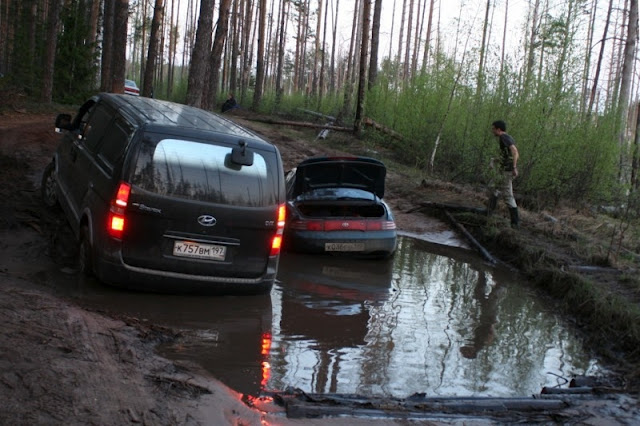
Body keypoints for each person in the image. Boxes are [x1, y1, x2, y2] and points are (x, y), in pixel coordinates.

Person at [489, 120, 520, 228]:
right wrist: (494, 160)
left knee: (508, 196)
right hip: (503, 170)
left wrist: (514, 167)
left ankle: (515, 224)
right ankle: (489, 212)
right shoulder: (506, 138)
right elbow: (506, 157)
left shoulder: (504, 138)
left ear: (498, 129)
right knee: (493, 187)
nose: (492, 131)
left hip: (507, 171)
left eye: (493, 129)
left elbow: (515, 153)